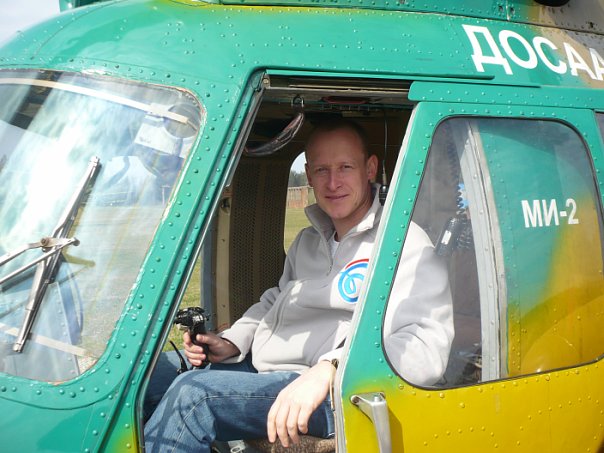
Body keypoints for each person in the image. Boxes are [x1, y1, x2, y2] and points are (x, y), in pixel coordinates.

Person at [144, 119, 453, 453]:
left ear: (370, 168)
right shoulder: (308, 240)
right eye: (322, 170)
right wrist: (232, 342)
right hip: (268, 366)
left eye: (345, 167)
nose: (332, 182)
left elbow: (425, 345)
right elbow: (277, 300)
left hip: (328, 390)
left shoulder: (402, 244)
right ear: (308, 174)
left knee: (193, 396)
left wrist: (332, 368)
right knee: (146, 377)